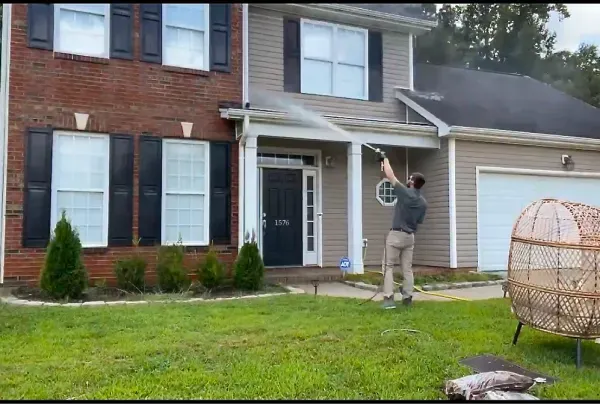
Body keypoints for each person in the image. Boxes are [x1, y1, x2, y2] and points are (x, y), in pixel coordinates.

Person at [378, 153, 427, 309]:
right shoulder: (423, 203)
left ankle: (388, 299)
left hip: (396, 234)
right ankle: (407, 298)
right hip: (410, 237)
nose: (408, 179)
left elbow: (390, 175)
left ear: (412, 182)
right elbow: (419, 221)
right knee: (407, 268)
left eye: (410, 178)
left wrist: (384, 158)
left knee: (388, 267)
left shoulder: (405, 193)